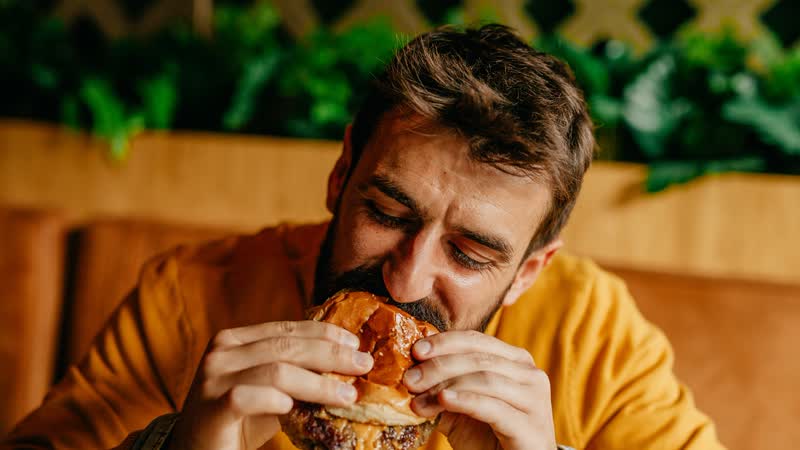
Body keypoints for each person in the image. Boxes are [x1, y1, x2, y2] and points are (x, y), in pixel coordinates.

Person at [1, 24, 724, 450]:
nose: (406, 281)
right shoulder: (191, 295)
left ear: (531, 270)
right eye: (385, 213)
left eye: (471, 255)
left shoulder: (592, 331)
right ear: (341, 175)